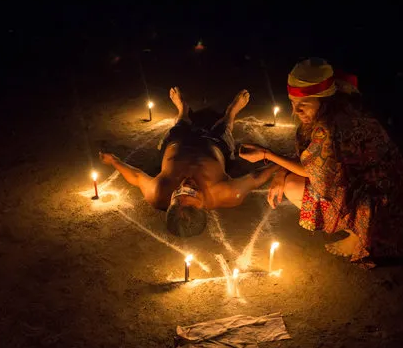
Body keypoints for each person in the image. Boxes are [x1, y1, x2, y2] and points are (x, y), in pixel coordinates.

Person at [238, 57, 403, 267]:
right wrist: (280, 173)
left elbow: (310, 170)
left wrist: (266, 154)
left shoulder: (330, 125)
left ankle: (361, 235)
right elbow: (310, 157)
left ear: (324, 100)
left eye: (304, 103)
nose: (297, 110)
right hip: (374, 183)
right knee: (290, 180)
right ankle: (357, 229)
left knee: (295, 185)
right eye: (293, 102)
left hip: (380, 197)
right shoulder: (333, 109)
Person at [100, 87, 280, 237]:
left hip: (178, 141)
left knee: (180, 123)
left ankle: (183, 110)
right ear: (203, 207)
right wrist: (281, 163)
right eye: (192, 192)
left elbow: (137, 177)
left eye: (177, 192)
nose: (185, 184)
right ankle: (231, 111)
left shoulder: (158, 193)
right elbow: (256, 177)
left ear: (170, 201)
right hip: (214, 143)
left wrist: (114, 161)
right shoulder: (227, 194)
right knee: (224, 127)